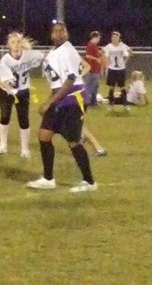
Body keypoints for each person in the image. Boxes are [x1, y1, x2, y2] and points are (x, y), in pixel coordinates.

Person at [27, 22, 98, 192]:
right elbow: (57, 82)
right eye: (55, 31)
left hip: (73, 100)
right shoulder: (54, 52)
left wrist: (49, 102)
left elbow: (70, 81)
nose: (58, 33)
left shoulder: (67, 51)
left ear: (66, 34)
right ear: (51, 34)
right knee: (44, 136)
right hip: (60, 98)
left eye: (62, 31)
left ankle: (89, 182)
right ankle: (48, 179)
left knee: (73, 142)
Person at [0, 31, 46, 157]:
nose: (16, 45)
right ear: (8, 45)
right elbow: (4, 82)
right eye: (13, 42)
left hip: (23, 91)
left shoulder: (28, 55)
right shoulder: (5, 60)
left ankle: (24, 149)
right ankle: (3, 145)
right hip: (6, 92)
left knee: (24, 120)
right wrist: (12, 91)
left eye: (18, 42)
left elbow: (43, 56)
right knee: (4, 117)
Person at [102, 31, 133, 112]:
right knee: (111, 87)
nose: (114, 38)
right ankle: (111, 106)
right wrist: (107, 60)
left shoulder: (122, 46)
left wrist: (125, 60)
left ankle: (125, 105)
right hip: (112, 69)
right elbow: (102, 52)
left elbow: (130, 52)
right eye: (113, 37)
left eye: (116, 37)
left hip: (121, 69)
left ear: (119, 38)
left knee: (122, 87)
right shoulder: (109, 46)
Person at [83, 31, 105, 107]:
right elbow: (88, 56)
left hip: (96, 69)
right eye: (99, 38)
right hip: (91, 69)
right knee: (90, 87)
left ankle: (93, 101)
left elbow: (94, 54)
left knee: (95, 86)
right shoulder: (90, 45)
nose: (99, 39)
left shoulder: (95, 45)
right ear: (95, 37)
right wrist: (97, 59)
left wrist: (100, 53)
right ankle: (86, 102)